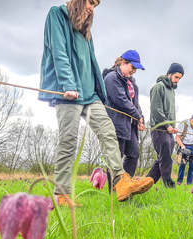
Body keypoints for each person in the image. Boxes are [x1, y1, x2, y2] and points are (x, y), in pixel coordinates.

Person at [38, 0, 153, 204]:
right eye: (91, 2)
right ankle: (61, 195)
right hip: (68, 92)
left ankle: (120, 181)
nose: (92, 8)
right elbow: (58, 51)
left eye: (95, 5)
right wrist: (67, 83)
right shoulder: (57, 15)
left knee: (108, 131)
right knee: (68, 140)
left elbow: (92, 60)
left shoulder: (85, 30)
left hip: (90, 94)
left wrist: (99, 93)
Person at [102, 50, 149, 187]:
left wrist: (141, 119)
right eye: (132, 67)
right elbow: (121, 101)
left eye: (136, 69)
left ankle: (126, 186)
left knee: (133, 155)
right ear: (123, 63)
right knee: (117, 157)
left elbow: (135, 103)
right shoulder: (111, 78)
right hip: (116, 123)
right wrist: (137, 115)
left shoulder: (131, 82)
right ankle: (114, 190)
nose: (134, 71)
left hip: (129, 126)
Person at [146, 63, 184, 188]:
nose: (177, 80)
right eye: (176, 77)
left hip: (168, 129)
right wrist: (167, 125)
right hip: (159, 127)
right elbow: (156, 109)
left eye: (179, 78)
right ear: (169, 74)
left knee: (163, 157)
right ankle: (168, 184)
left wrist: (173, 126)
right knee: (165, 157)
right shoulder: (158, 87)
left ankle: (146, 183)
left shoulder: (172, 91)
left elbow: (170, 111)